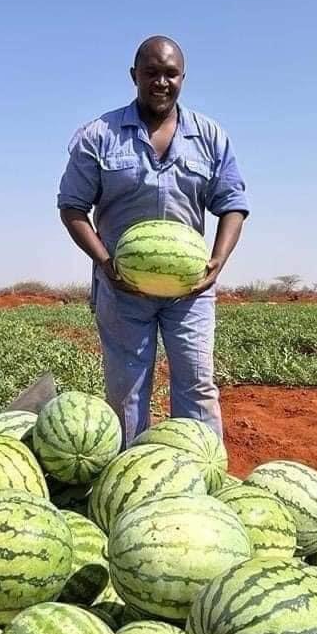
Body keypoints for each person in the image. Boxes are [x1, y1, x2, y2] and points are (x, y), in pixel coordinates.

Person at [58, 35, 248, 446]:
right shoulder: (99, 135)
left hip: (190, 290)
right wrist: (106, 263)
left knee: (197, 385)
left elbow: (233, 204)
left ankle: (199, 467)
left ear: (183, 78)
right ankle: (129, 470)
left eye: (171, 74)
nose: (161, 82)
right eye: (151, 73)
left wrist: (217, 261)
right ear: (135, 76)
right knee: (126, 391)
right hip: (122, 288)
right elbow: (72, 207)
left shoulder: (210, 136)